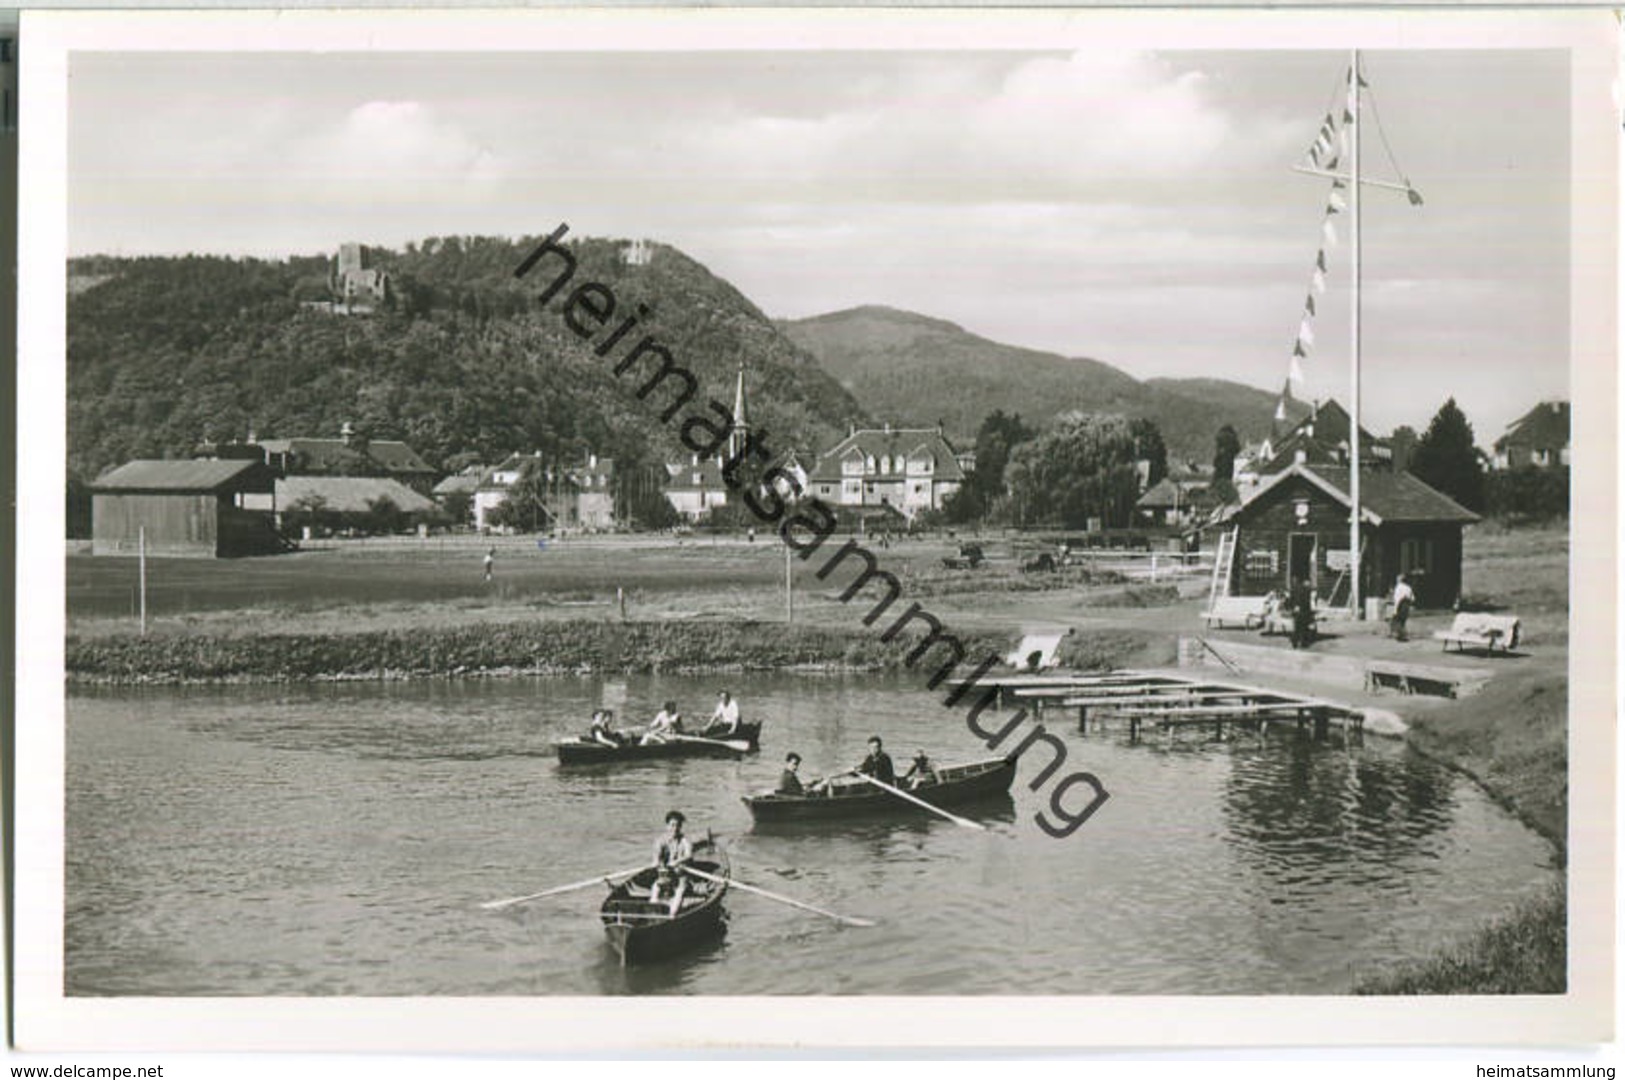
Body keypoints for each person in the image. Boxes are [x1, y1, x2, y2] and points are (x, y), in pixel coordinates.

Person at [649, 810, 693, 910]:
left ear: (680, 827)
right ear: (667, 826)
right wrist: (656, 863)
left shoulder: (685, 840)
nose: (675, 828)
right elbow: (656, 856)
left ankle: (672, 915)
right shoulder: (660, 841)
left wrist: (677, 862)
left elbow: (689, 855)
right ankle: (652, 909)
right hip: (666, 874)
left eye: (678, 825)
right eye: (672, 825)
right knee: (655, 887)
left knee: (680, 891)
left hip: (681, 875)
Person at [1389, 573, 1416, 642]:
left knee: (1396, 621)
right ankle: (1401, 635)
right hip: (1406, 605)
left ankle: (1402, 635)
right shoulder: (1408, 587)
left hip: (1400, 605)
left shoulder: (1399, 587)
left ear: (1400, 580)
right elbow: (1413, 598)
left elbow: (1397, 599)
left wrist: (1395, 610)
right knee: (1402, 621)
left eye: (1397, 579)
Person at [1289, 577, 1315, 650]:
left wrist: (1294, 607)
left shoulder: (1296, 588)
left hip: (1298, 610)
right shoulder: (1305, 590)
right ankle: (1302, 643)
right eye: (1309, 583)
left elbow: (1292, 599)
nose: (1310, 584)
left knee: (1297, 627)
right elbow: (1305, 601)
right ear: (1306, 582)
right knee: (1303, 627)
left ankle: (1295, 642)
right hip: (1303, 611)